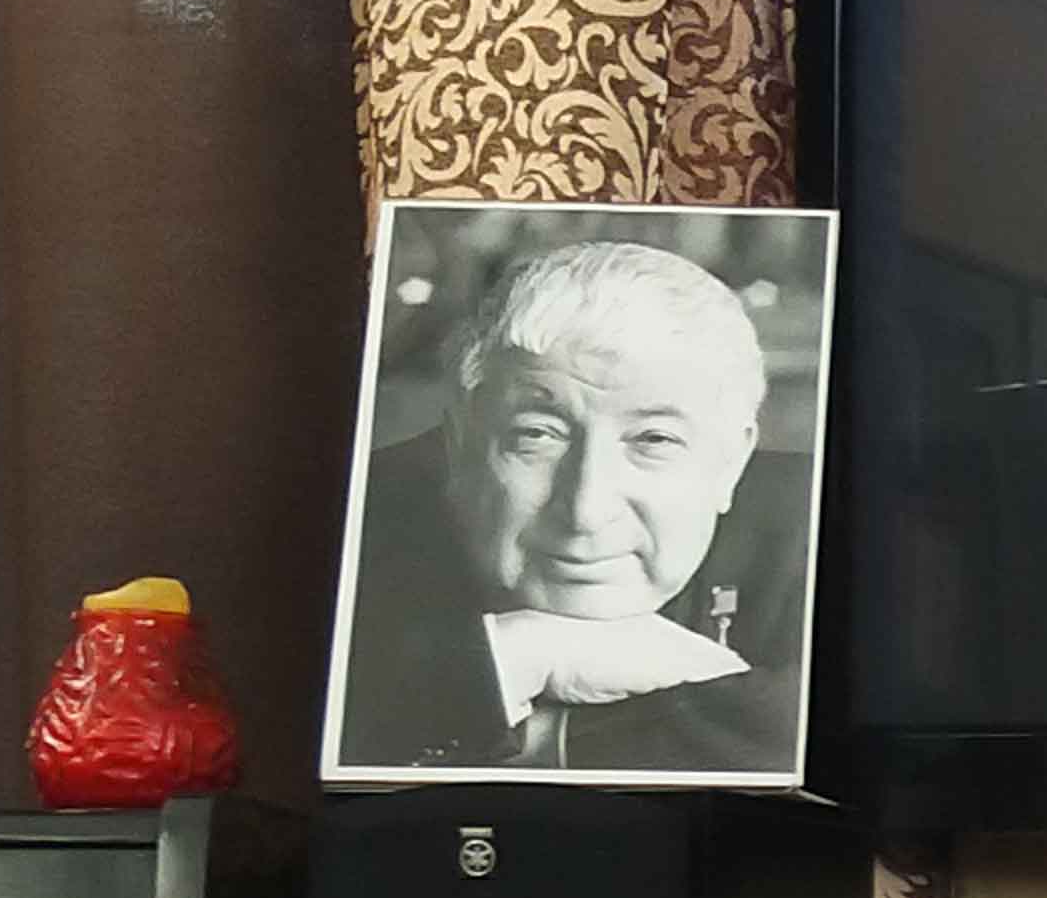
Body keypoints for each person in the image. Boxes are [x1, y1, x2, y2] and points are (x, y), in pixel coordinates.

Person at [332, 235, 812, 778]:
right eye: (536, 435)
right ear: (459, 441)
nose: (585, 511)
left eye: (653, 439)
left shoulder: (820, 530)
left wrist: (523, 728)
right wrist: (514, 657)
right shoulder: (349, 518)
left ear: (731, 462)